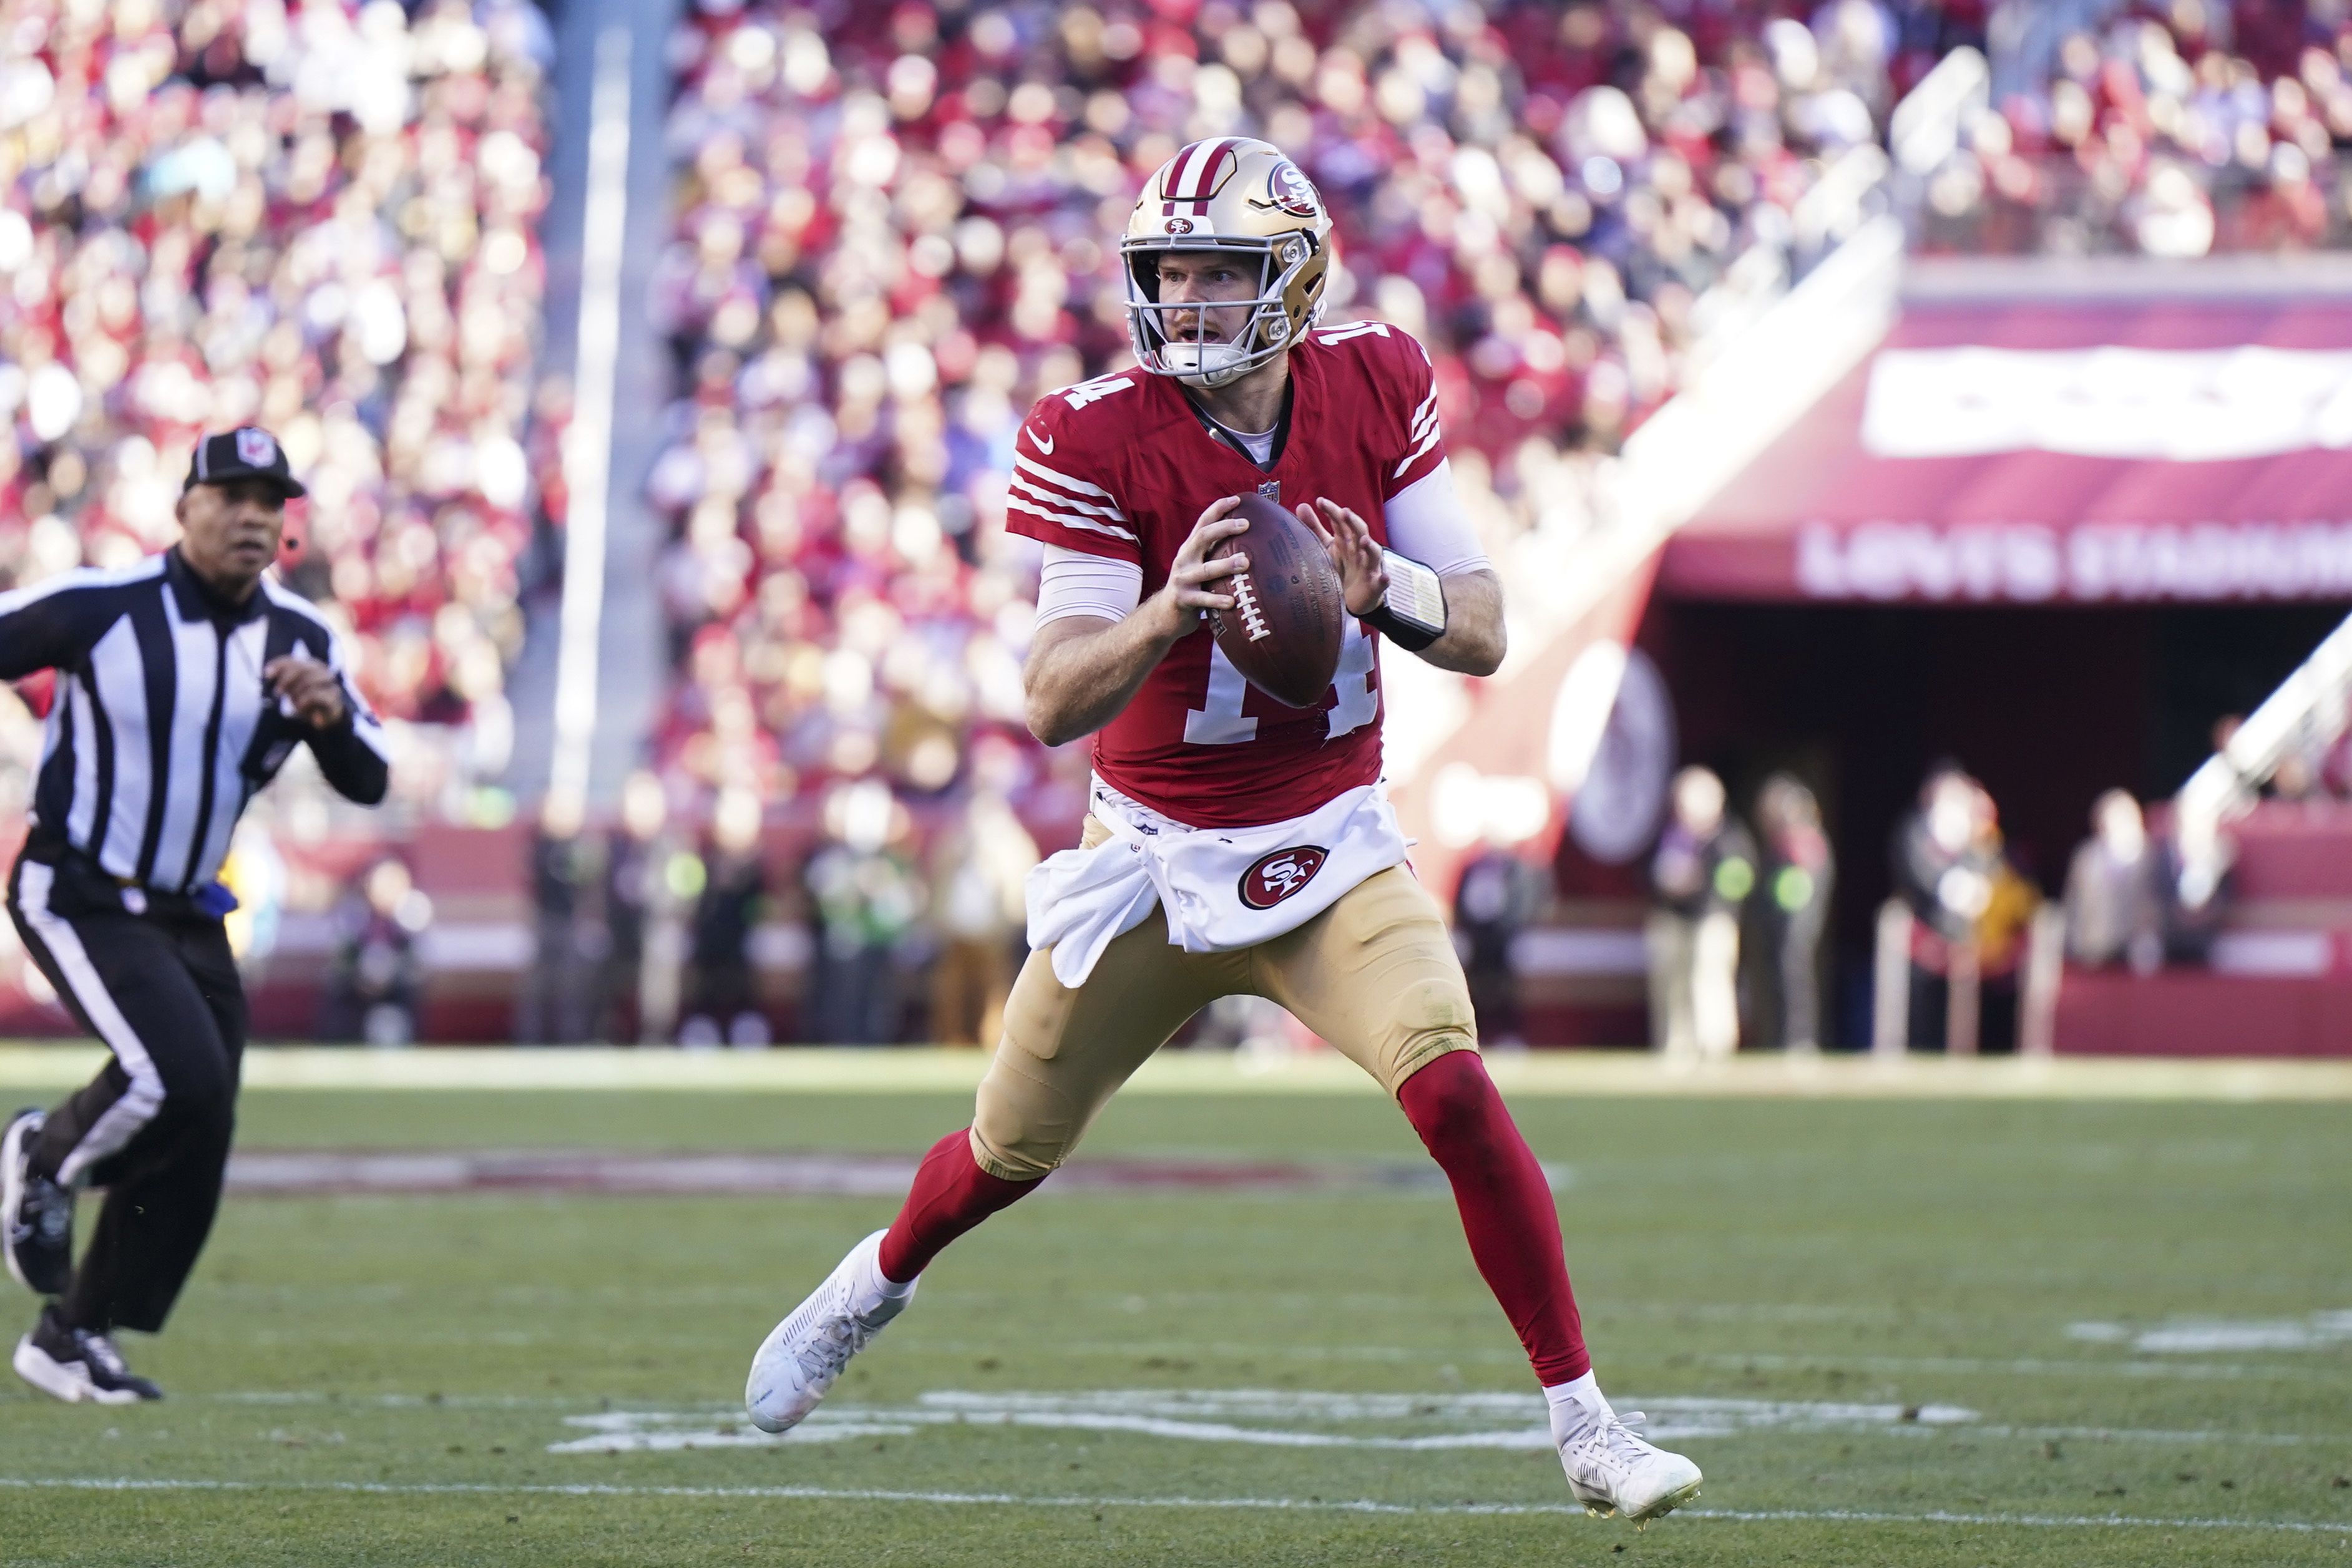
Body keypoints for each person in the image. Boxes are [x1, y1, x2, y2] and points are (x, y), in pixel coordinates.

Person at [741, 140, 1702, 1527]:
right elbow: (1053, 693)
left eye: (1220, 270)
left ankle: (1588, 1423)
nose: (1187, 300)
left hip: (1330, 840)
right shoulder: (1095, 429)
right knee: (1004, 1152)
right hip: (1150, 854)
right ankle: (869, 1281)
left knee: (1450, 1085)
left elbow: (1488, 624)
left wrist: (1388, 591)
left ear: (1295, 276)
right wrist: (1162, 610)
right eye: (1170, 272)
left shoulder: (1376, 377)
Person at [0, 427, 389, 1403]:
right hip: (81, 888)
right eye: (233, 496)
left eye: (272, 501)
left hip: (187, 908)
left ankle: (71, 1334)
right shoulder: (104, 607)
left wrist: (330, 717)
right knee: (173, 1075)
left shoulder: (301, 639)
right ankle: (42, 1153)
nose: (254, 517)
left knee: (204, 1115)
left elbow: (370, 778)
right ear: (186, 509)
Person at [1645, 767, 1757, 1061]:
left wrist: (1698, 883)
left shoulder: (1730, 838)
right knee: (1671, 984)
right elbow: (1646, 871)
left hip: (1712, 920)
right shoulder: (1669, 834)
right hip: (1672, 918)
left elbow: (1738, 882)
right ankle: (1676, 1047)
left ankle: (1713, 1047)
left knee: (1708, 981)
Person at [680, 787, 771, 1048]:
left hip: (742, 940)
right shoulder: (705, 859)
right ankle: (702, 1029)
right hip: (709, 939)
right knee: (706, 986)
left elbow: (762, 903)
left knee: (741, 985)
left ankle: (746, 1029)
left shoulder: (754, 864)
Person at [1753, 774, 1833, 1053]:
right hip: (1779, 925)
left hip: (1797, 926)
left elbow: (1808, 886)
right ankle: (1781, 1038)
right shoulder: (1779, 843)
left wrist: (1798, 922)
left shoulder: (1804, 840)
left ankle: (1800, 1039)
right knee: (1778, 981)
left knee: (1795, 980)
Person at [1452, 837, 1546, 1048]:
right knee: (1475, 987)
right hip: (1478, 938)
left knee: (1506, 989)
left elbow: (1524, 901)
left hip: (1505, 938)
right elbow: (1461, 900)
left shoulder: (1516, 869)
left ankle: (1509, 1036)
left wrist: (1513, 929)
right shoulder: (1473, 866)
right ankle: (1479, 1034)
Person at [2062, 790, 2162, 973]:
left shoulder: (2149, 856)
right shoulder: (2087, 857)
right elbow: (2074, 903)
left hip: (2137, 951)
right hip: (2095, 948)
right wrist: (2075, 942)